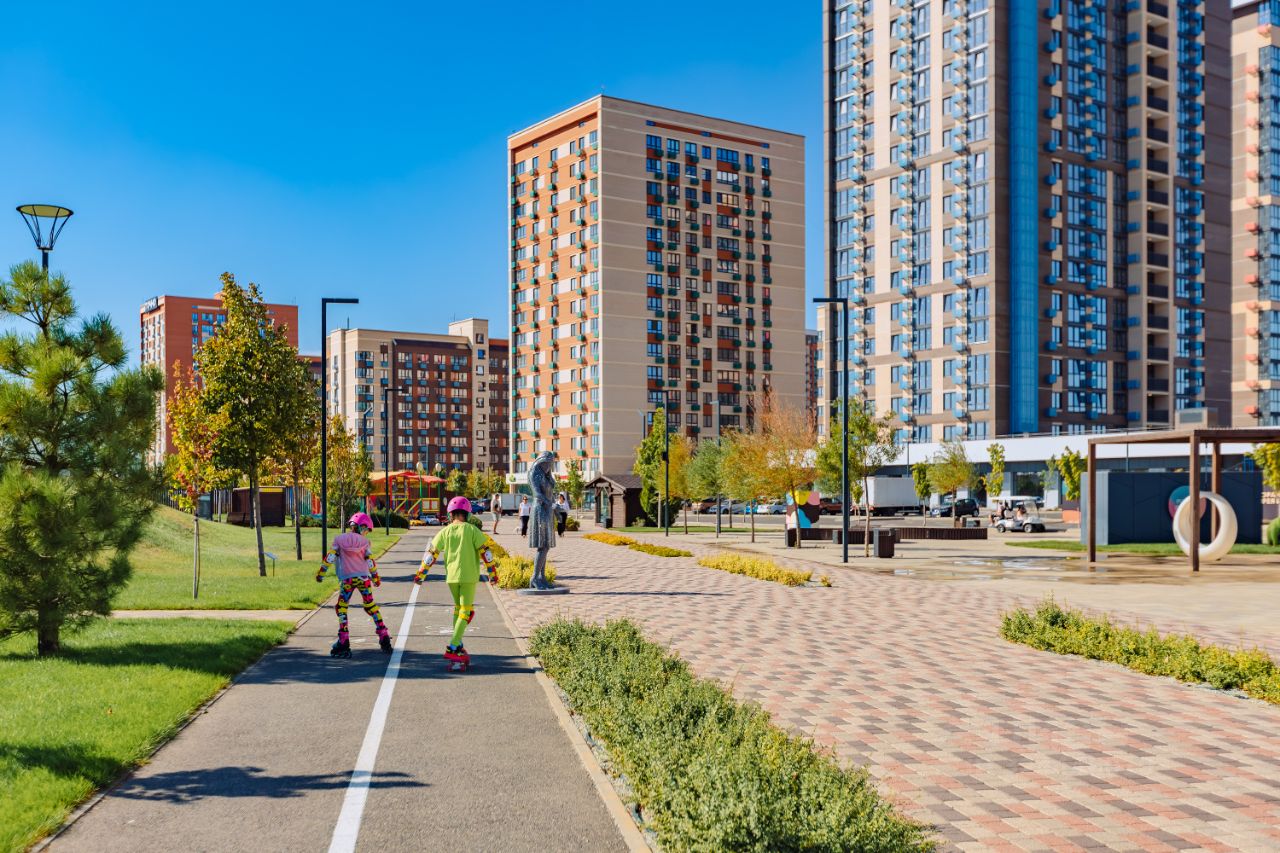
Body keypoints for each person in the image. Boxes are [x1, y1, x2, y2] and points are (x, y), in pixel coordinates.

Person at [415, 497, 498, 671]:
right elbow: (486, 553)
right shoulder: (472, 530)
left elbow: (431, 554)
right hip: (468, 576)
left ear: (450, 514)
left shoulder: (445, 531)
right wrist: (492, 573)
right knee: (466, 611)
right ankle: (453, 646)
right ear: (467, 514)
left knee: (458, 609)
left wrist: (421, 573)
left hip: (452, 577)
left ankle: (459, 645)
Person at [317, 512, 391, 658]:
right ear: (361, 527)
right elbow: (370, 561)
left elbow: (330, 557)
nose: (366, 533)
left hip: (348, 580)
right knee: (370, 606)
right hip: (364, 579)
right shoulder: (365, 542)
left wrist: (321, 573)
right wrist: (375, 577)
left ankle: (343, 640)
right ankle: (384, 635)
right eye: (366, 530)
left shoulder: (339, 539)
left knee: (341, 607)